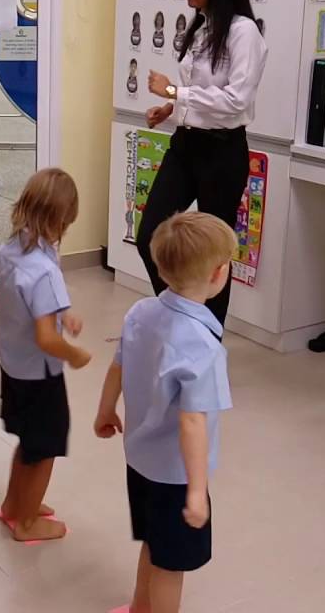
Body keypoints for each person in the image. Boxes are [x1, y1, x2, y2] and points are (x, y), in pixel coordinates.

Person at [94, 212, 236, 613]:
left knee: (155, 544)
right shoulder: (203, 348)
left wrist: (105, 409)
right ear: (218, 274)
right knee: (171, 565)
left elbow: (118, 366)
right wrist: (197, 491)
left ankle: (140, 606)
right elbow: (193, 421)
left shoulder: (140, 312)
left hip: (139, 459)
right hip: (175, 476)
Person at [140, 0, 268, 328]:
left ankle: (206, 338)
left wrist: (174, 93)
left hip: (222, 152)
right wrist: (173, 107)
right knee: (150, 235)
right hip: (186, 145)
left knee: (213, 255)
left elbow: (235, 100)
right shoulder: (202, 27)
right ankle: (182, 320)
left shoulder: (244, 32)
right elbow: (202, 90)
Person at [0, 169, 90, 542]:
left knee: (28, 442)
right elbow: (47, 338)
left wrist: (62, 312)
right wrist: (74, 354)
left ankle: (14, 505)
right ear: (59, 221)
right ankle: (28, 523)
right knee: (46, 448)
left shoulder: (11, 251)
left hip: (13, 367)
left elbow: (25, 302)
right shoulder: (45, 271)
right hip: (40, 375)